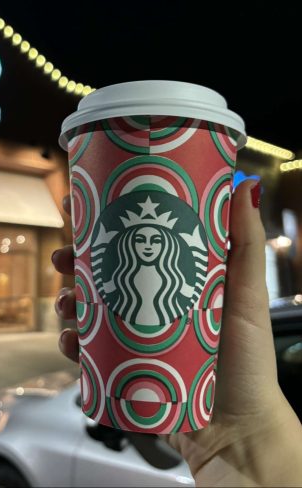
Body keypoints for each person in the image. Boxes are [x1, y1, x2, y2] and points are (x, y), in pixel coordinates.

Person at [51, 180, 302, 487]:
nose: (147, 246)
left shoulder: (177, 285)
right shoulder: (120, 281)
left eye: (155, 239)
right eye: (139, 238)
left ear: (168, 245)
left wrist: (246, 437)